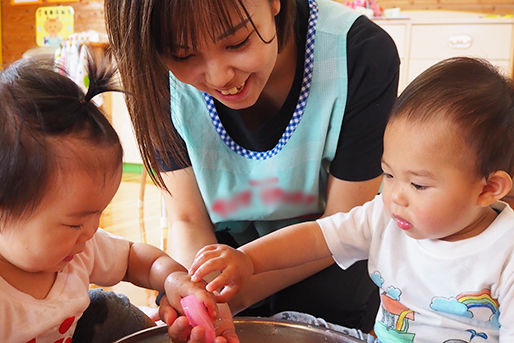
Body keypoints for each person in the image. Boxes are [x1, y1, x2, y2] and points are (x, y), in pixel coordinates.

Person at [105, 0, 400, 333]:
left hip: (328, 255)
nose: (219, 76)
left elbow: (341, 223)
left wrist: (229, 297)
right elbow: (187, 218)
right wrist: (202, 294)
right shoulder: (153, 63)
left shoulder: (359, 54)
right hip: (219, 257)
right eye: (184, 55)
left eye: (237, 42)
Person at [189, 57, 514, 342]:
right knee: (283, 325)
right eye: (388, 175)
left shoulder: (505, 254)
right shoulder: (385, 219)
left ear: (488, 189)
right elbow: (317, 238)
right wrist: (248, 260)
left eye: (418, 185)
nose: (395, 195)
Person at [0, 56, 230, 343]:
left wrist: (172, 279)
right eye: (74, 224)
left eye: (97, 215)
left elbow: (135, 258)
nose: (91, 231)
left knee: (112, 310)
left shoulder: (78, 250)